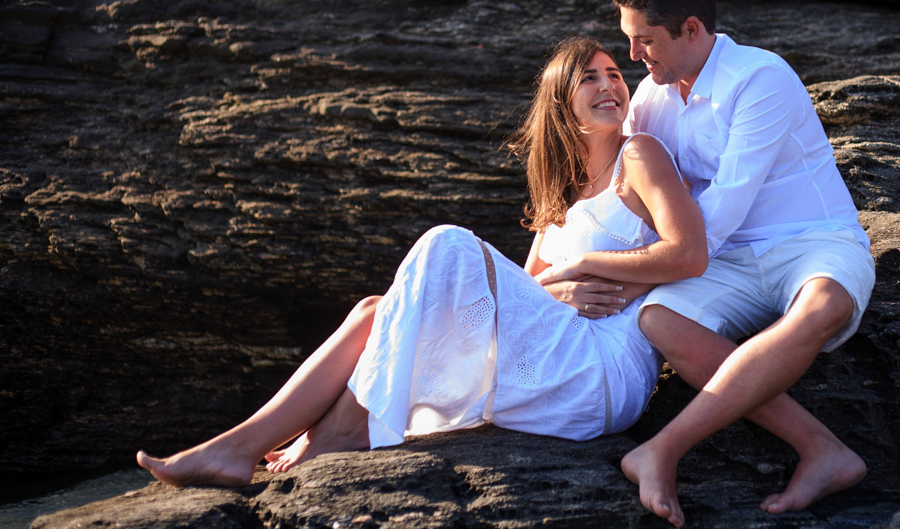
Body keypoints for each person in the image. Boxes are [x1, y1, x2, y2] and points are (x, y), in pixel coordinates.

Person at [136, 36, 707, 488]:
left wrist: (586, 267)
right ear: (561, 101)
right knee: (373, 311)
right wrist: (558, 288)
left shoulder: (639, 155)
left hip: (599, 372)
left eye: (614, 74)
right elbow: (530, 287)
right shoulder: (558, 191)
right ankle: (240, 446)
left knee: (449, 245)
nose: (610, 85)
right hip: (553, 357)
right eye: (590, 78)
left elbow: (688, 253)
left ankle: (335, 432)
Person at [610, 0, 876, 526]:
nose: (634, 55)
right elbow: (627, 193)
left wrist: (634, 272)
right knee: (659, 320)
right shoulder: (650, 100)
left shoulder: (760, 77)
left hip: (811, 240)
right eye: (629, 39)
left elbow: (722, 209)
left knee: (824, 305)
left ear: (691, 29)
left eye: (645, 40)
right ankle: (822, 448)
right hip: (723, 260)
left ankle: (663, 448)